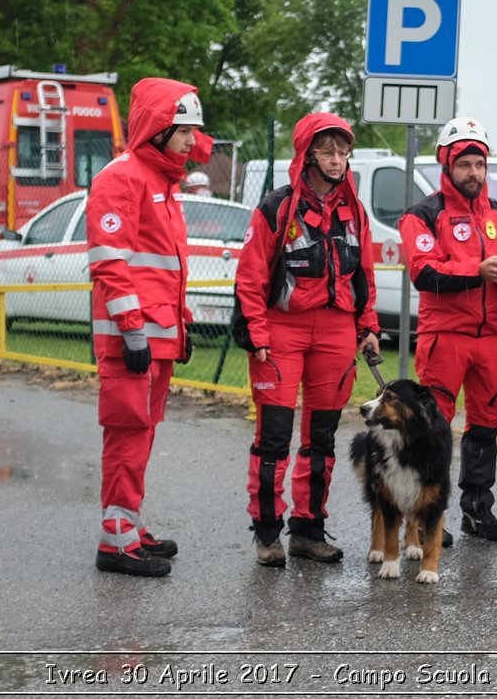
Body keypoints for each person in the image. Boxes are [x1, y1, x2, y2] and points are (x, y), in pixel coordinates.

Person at [232, 113, 379, 567]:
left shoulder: (355, 210)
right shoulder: (276, 208)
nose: (337, 160)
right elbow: (251, 277)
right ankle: (267, 533)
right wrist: (256, 332)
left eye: (342, 151)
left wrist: (368, 324)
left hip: (336, 331)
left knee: (322, 437)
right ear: (308, 154)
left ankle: (308, 529)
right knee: (273, 437)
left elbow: (365, 275)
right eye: (327, 151)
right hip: (282, 330)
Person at [86, 77, 213, 577]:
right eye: (184, 130)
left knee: (142, 432)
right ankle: (116, 539)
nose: (190, 141)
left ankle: (128, 524)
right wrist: (132, 328)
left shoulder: (161, 181)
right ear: (159, 128)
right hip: (131, 337)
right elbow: (109, 260)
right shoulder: (124, 177)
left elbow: (165, 268)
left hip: (155, 335)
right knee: (127, 432)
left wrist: (180, 324)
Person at [399, 116, 497, 543]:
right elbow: (424, 272)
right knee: (433, 429)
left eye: (480, 164)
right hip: (445, 337)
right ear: (447, 164)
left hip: (492, 338)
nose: (474, 173)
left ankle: (478, 511)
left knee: (487, 426)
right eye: (466, 164)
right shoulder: (422, 215)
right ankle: (426, 515)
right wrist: (479, 270)